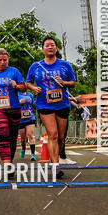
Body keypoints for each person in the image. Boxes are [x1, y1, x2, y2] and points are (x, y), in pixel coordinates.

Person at [26, 36, 76, 179]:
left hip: (62, 104)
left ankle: (56, 157)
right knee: (52, 134)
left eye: (52, 45)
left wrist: (64, 82)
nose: (50, 47)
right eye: (47, 45)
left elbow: (73, 83)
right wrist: (33, 89)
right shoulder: (35, 66)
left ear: (56, 48)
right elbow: (28, 82)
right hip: (44, 104)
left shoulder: (65, 65)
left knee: (61, 137)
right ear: (43, 49)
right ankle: (55, 166)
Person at [0, 48, 26, 169]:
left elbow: (24, 88)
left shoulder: (14, 71)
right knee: (3, 133)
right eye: (0, 60)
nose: (3, 62)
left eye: (5, 60)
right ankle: (7, 165)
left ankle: (9, 161)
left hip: (14, 108)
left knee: (12, 138)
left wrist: (16, 86)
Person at [18, 89, 36, 160]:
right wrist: (19, 103)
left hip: (30, 117)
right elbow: (12, 106)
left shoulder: (30, 94)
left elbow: (33, 104)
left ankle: (33, 154)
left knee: (31, 135)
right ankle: (23, 148)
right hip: (21, 119)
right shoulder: (16, 94)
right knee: (23, 139)